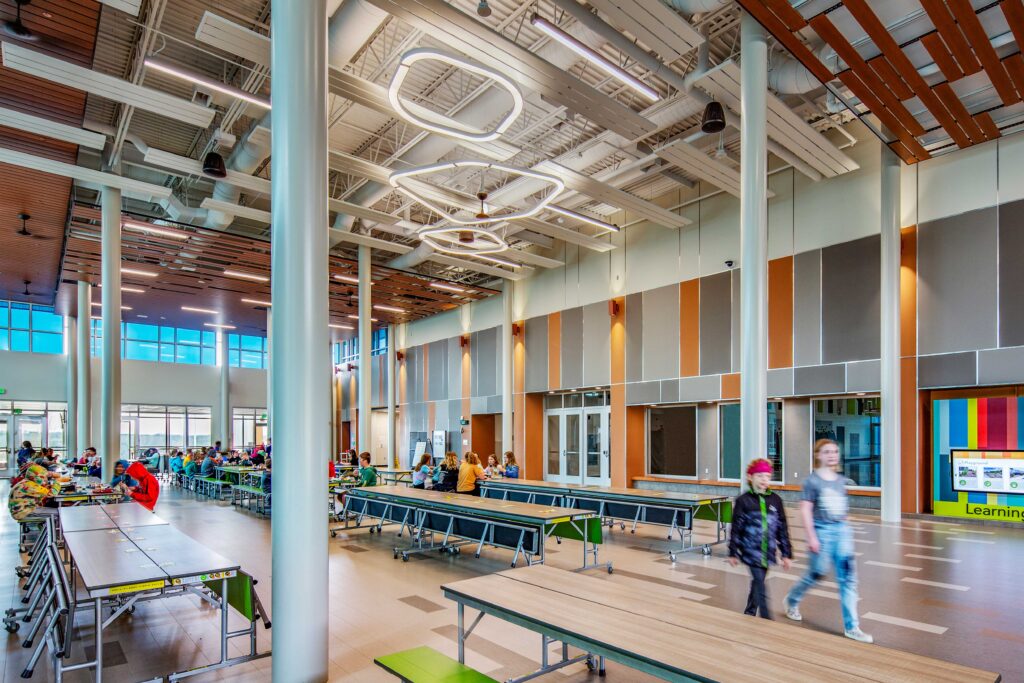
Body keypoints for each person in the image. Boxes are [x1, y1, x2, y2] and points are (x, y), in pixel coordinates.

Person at [785, 439, 873, 643]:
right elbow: (806, 509)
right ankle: (792, 599)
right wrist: (812, 536)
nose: (832, 455)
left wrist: (846, 526)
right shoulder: (812, 481)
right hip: (822, 531)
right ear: (818, 455)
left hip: (842, 532)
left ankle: (852, 627)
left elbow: (841, 508)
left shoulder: (841, 481)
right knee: (817, 573)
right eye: (827, 452)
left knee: (849, 579)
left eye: (834, 451)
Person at [728, 458, 792, 619]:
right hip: (750, 552)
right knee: (761, 585)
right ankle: (766, 618)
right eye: (760, 476)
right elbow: (736, 528)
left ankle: (749, 612)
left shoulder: (775, 500)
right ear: (750, 477)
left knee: (758, 583)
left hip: (768, 552)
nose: (764, 480)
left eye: (767, 476)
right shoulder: (743, 501)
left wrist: (786, 553)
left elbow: (782, 528)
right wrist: (733, 551)